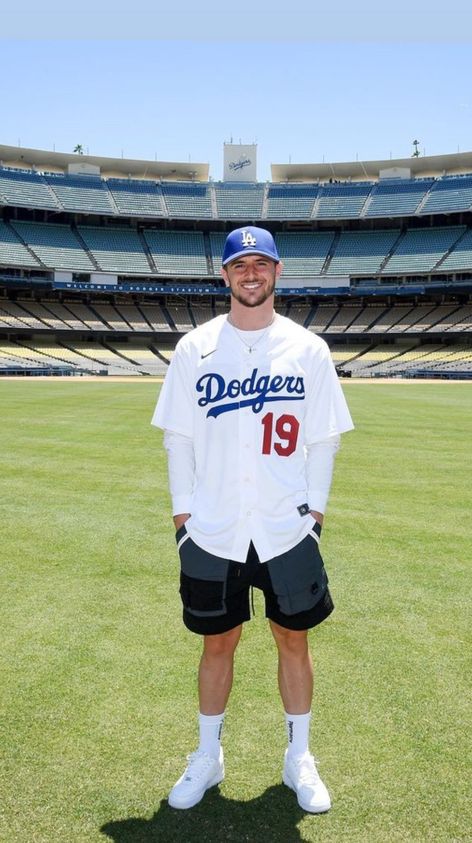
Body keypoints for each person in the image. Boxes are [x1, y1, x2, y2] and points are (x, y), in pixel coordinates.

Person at [151, 225, 353, 813]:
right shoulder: (195, 348)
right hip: (212, 528)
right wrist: (182, 518)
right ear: (224, 275)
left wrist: (314, 516)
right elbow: (178, 441)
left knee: (295, 640)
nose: (250, 273)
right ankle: (207, 757)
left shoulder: (308, 349)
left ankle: (299, 757)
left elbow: (325, 441)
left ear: (277, 272)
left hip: (286, 527)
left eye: (260, 263)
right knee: (217, 643)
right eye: (240, 265)